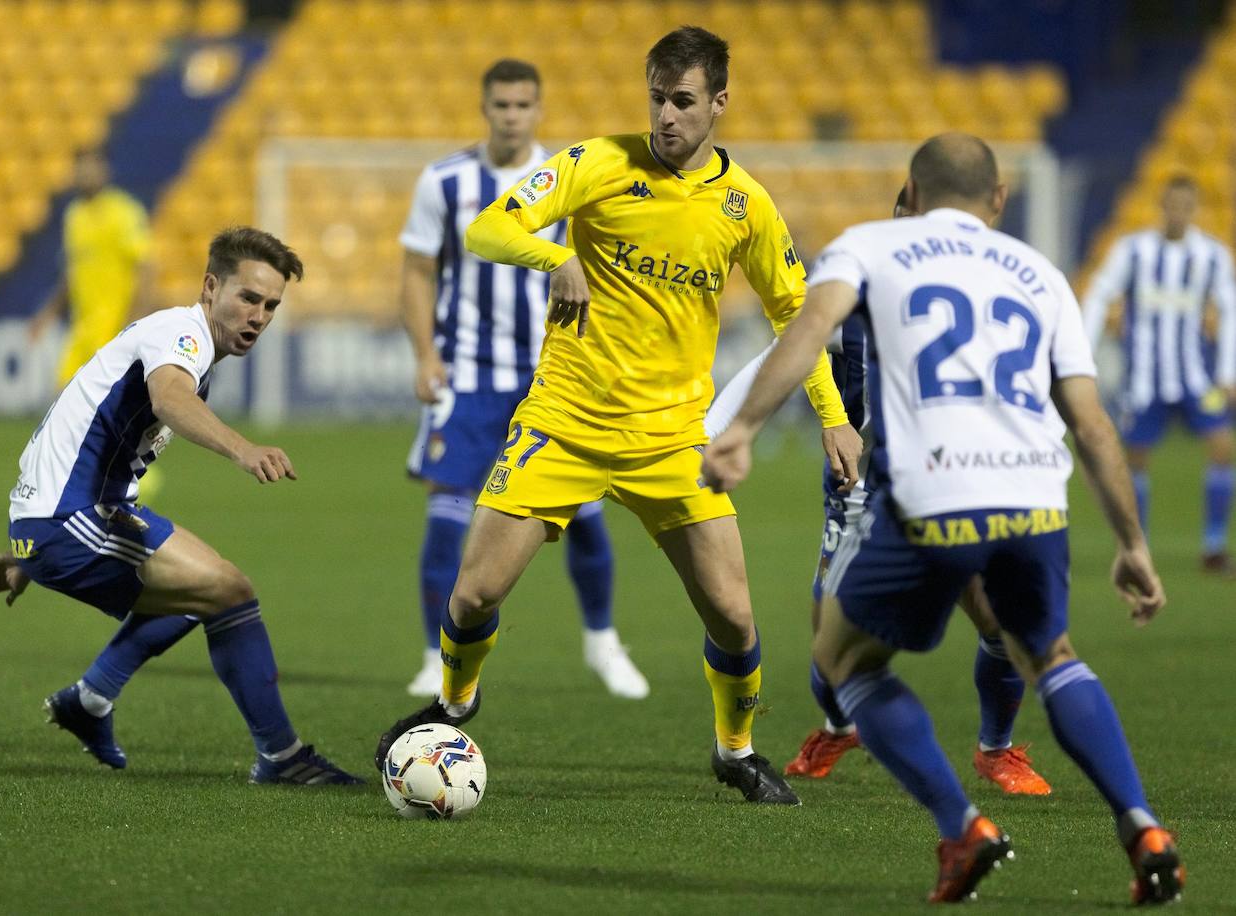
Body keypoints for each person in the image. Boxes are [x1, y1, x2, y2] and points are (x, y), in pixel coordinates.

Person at [375, 27, 863, 805]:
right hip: (564, 419)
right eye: (656, 100)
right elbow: (488, 227)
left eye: (683, 102)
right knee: (472, 597)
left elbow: (795, 315)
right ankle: (455, 705)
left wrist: (833, 417)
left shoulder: (747, 206)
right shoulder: (598, 162)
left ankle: (735, 751)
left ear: (719, 104)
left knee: (735, 618)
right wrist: (555, 256)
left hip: (672, 437)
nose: (666, 117)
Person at [703, 134, 1182, 903]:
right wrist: (1132, 543)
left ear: (913, 196)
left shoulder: (869, 247)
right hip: (1033, 497)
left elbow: (805, 332)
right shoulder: (1043, 276)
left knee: (846, 660)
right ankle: (1143, 824)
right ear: (999, 200)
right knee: (1052, 655)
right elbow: (1092, 425)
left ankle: (961, 827)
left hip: (931, 494)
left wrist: (741, 430)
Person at [0, 227, 364, 787]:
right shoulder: (182, 334)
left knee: (203, 593)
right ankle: (281, 756)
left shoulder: (181, 336)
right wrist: (242, 449)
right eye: (248, 298)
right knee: (228, 590)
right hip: (68, 518)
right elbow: (169, 398)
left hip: (69, 515)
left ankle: (91, 701)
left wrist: (27, 554)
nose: (259, 316)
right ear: (210, 286)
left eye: (271, 305)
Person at [705, 188, 1051, 795]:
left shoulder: (971, 303)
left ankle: (996, 749)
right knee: (829, 651)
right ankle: (840, 726)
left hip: (949, 483)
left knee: (1000, 624)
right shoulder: (854, 302)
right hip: (861, 494)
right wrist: (716, 432)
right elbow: (777, 356)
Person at [399, 59, 647, 700]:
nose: (511, 115)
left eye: (523, 105)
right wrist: (425, 355)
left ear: (539, 110)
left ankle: (602, 640)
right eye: (502, 105)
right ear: (486, 108)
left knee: (587, 517)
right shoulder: (445, 182)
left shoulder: (567, 180)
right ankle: (435, 652)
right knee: (447, 518)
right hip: (469, 376)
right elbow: (418, 273)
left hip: (554, 374)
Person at [1081, 174, 1236, 573]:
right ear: (1162, 205)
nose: (1178, 213)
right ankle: (1138, 546)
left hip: (1196, 375)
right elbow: (1100, 292)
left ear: (1194, 208)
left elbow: (1230, 308)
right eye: (1172, 204)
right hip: (1144, 377)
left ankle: (1214, 546)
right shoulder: (1133, 251)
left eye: (1186, 206)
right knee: (1135, 460)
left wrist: (1227, 371)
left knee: (1222, 446)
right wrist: (1084, 351)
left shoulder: (1212, 255)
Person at [31, 148, 156, 387]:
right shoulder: (74, 215)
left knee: (99, 399)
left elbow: (147, 267)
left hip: (113, 325)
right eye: (82, 169)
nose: (86, 175)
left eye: (92, 169)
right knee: (64, 395)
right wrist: (47, 314)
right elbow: (72, 273)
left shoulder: (123, 212)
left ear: (104, 172)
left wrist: (135, 320)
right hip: (82, 326)